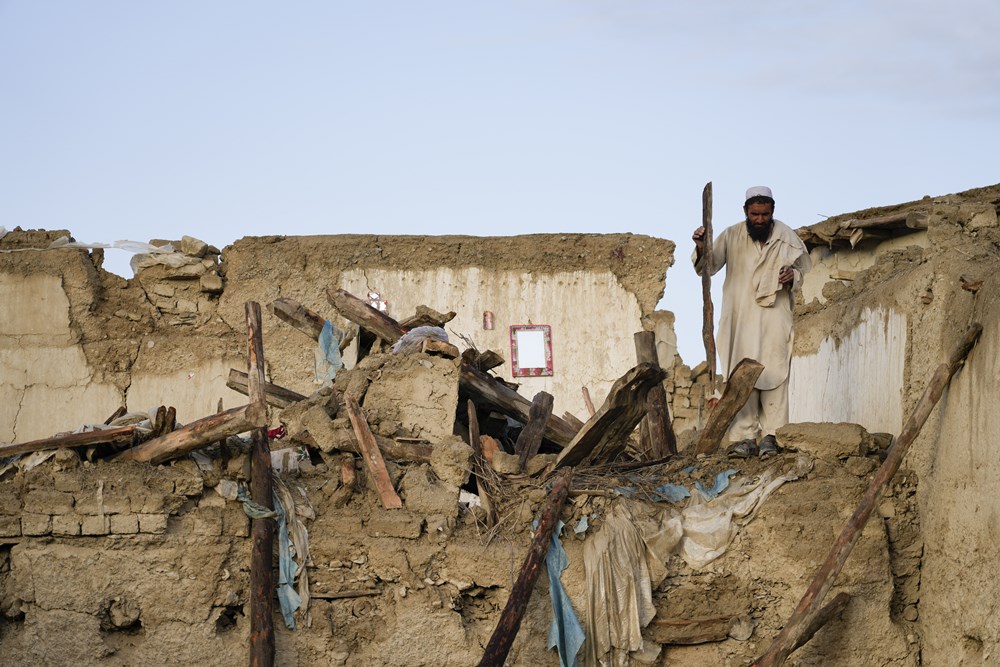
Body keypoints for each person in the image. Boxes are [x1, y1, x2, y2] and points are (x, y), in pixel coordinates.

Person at [692, 185, 811, 458]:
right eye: (755, 214)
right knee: (739, 373)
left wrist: (792, 277)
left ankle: (773, 436)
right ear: (746, 211)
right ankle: (744, 438)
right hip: (740, 318)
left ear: (772, 212)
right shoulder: (731, 235)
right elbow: (707, 268)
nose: (760, 220)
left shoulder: (787, 237)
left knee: (775, 371)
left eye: (765, 214)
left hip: (773, 318)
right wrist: (701, 246)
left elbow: (804, 270)